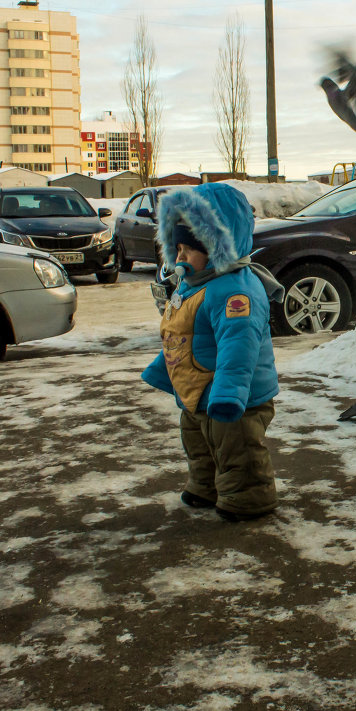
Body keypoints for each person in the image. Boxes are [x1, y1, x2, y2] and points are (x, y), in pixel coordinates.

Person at [141, 183, 284, 522]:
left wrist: (229, 395)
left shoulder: (235, 292)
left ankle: (249, 497)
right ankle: (206, 485)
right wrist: (166, 369)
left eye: (188, 250)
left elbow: (239, 349)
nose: (179, 258)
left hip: (235, 398)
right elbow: (182, 335)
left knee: (237, 448)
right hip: (199, 393)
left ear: (217, 246)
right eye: (176, 249)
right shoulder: (195, 285)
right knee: (199, 441)